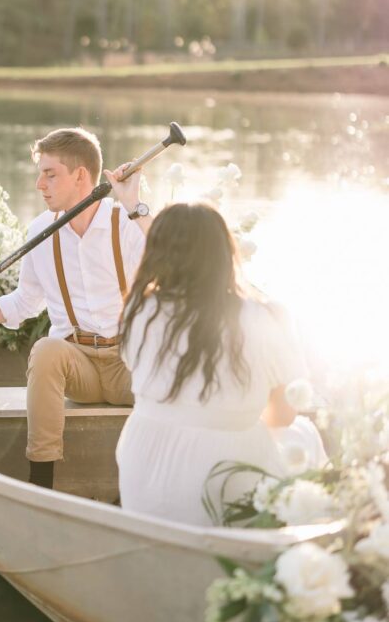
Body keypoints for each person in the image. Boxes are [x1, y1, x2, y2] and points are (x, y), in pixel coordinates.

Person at [0, 126, 151, 489]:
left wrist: (134, 205)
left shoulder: (124, 223)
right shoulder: (40, 231)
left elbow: (174, 264)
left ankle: (150, 480)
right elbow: (23, 302)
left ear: (80, 176)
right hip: (80, 368)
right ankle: (40, 482)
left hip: (129, 365)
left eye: (50, 174)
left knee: (172, 371)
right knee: (47, 349)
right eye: (40, 174)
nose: (39, 184)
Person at [115, 201, 326, 525]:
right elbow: (282, 416)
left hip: (143, 473)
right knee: (304, 433)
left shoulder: (138, 312)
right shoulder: (264, 316)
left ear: (156, 253)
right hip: (222, 476)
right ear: (224, 255)